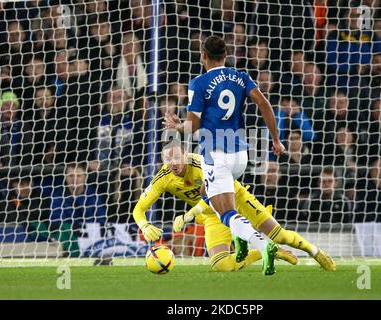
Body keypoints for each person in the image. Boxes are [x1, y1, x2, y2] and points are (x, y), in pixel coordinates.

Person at [164, 35, 286, 275]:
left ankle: (264, 245)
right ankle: (240, 240)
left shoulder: (198, 83)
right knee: (206, 193)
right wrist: (275, 140)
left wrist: (178, 127)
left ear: (203, 56)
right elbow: (264, 104)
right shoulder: (241, 76)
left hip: (216, 154)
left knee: (225, 212)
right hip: (241, 154)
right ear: (226, 55)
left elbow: (194, 127)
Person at [133, 142, 335, 272]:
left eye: (176, 157)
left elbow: (213, 194)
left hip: (234, 198)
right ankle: (264, 252)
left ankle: (315, 251)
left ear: (185, 155)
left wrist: (189, 214)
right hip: (213, 216)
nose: (173, 163)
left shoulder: (202, 165)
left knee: (278, 234)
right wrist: (143, 225)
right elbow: (138, 209)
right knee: (221, 264)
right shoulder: (163, 177)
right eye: (167, 159)